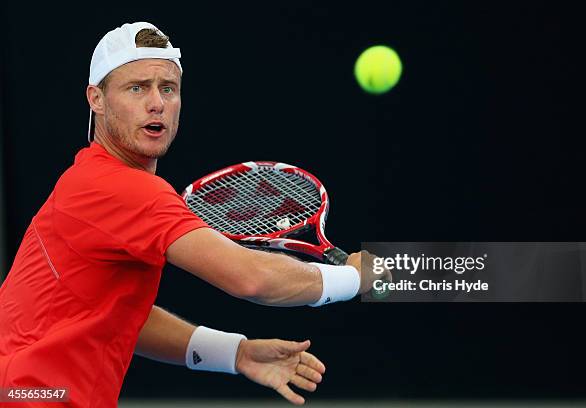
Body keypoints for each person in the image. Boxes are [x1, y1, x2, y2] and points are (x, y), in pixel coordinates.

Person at [0, 22, 388, 407]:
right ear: (96, 99)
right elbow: (251, 278)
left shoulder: (88, 177)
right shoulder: (123, 189)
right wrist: (355, 277)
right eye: (136, 88)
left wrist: (235, 353)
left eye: (167, 88)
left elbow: (119, 315)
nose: (156, 103)